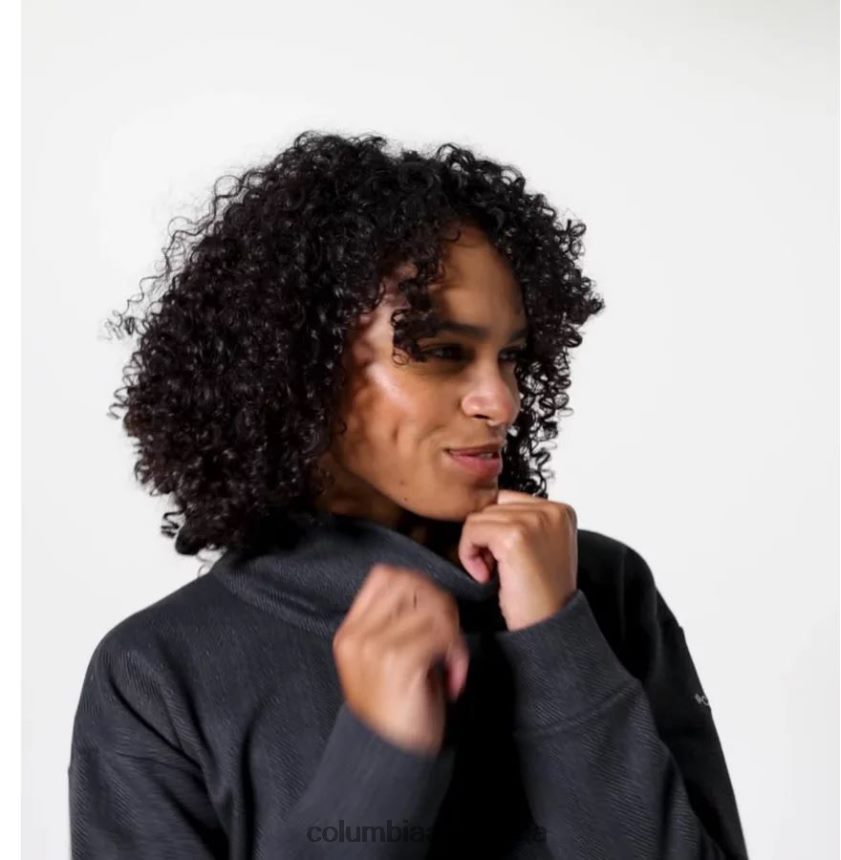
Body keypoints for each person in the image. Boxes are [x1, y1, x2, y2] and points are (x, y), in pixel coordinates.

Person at [68, 130, 748, 858]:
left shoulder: (602, 589)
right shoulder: (158, 673)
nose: (501, 401)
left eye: (511, 357)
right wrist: (377, 761)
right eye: (441, 353)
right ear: (301, 370)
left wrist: (559, 645)